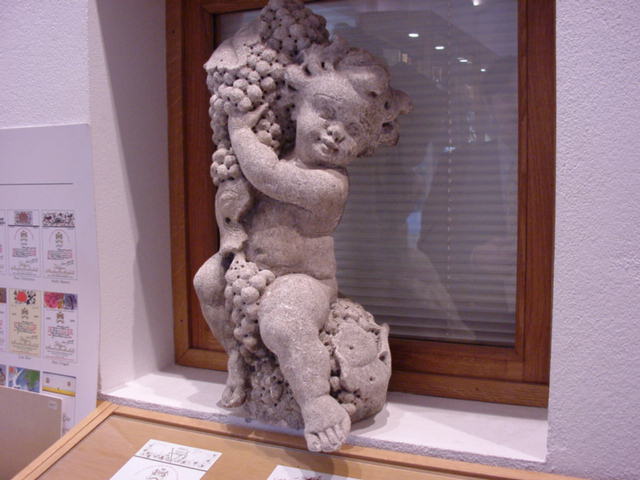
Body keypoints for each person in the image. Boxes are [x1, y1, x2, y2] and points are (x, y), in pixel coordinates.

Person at [195, 43, 409, 452]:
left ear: (365, 146)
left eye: (353, 130)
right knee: (207, 281)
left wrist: (239, 131)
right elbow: (249, 184)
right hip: (254, 269)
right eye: (326, 111)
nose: (335, 132)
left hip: (305, 279)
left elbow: (267, 176)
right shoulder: (279, 151)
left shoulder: (330, 185)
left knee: (284, 321)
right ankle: (237, 355)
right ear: (296, 106)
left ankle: (316, 403)